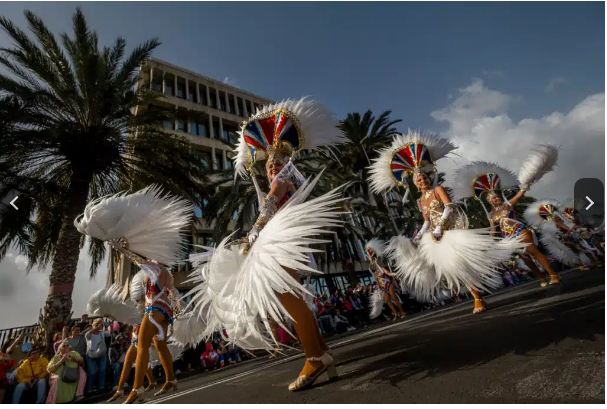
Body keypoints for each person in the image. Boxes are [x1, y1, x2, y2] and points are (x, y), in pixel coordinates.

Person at [182, 98, 345, 391]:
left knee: (289, 300)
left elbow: (269, 206)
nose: (271, 168)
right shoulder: (286, 182)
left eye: (275, 163)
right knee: (292, 298)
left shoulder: (281, 182)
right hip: (286, 243)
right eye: (268, 165)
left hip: (280, 244)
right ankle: (322, 352)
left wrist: (254, 231)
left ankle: (316, 356)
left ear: (284, 163)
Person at [370, 131, 523, 314]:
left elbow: (449, 207)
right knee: (453, 269)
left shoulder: (438, 189)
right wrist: (419, 235)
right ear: (415, 183)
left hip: (450, 231)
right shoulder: (420, 201)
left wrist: (440, 227)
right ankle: (476, 297)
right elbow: (426, 220)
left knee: (462, 264)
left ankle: (478, 297)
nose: (422, 180)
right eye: (418, 179)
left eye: (424, 177)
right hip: (435, 238)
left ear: (427, 177)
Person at [75, 185, 192, 403]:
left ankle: (137, 388)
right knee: (159, 345)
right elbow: (148, 269)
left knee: (142, 346)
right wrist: (122, 248)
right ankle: (171, 379)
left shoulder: (157, 267)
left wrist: (121, 247)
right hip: (159, 311)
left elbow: (141, 262)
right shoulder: (156, 268)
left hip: (156, 310)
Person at [453, 160, 561, 287]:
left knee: (533, 251)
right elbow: (494, 231)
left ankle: (553, 274)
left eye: (497, 197)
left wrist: (524, 187)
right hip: (510, 238)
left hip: (520, 230)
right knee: (526, 260)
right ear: (490, 201)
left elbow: (519, 195)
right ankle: (541, 278)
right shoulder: (492, 215)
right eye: (494, 198)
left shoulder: (507, 205)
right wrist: (489, 243)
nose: (497, 198)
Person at [365, 239, 406, 320]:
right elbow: (375, 276)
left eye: (370, 251)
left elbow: (386, 271)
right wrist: (378, 285)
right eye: (368, 252)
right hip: (380, 285)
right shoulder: (371, 265)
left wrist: (394, 274)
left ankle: (402, 312)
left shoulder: (379, 260)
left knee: (394, 297)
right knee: (387, 300)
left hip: (387, 281)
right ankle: (396, 313)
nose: (369, 253)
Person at [84, 318, 110, 394]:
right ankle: (89, 389)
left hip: (102, 354)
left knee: (102, 370)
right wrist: (95, 328)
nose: (101, 326)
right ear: (95, 324)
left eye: (102, 324)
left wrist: (108, 325)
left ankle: (101, 387)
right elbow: (87, 336)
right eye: (100, 324)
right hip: (91, 355)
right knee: (92, 372)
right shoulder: (89, 334)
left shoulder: (102, 333)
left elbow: (109, 333)